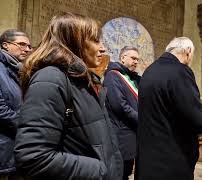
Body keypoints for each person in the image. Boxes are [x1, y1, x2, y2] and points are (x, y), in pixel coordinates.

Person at [13, 13, 123, 179]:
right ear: (73, 41)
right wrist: (101, 170)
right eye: (95, 40)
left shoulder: (81, 79)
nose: (103, 48)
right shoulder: (50, 78)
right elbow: (33, 157)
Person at [136, 37, 202, 180]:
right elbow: (198, 119)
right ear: (188, 51)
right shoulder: (180, 71)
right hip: (172, 160)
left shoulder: (150, 70)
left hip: (148, 158)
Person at [103, 46, 140, 180]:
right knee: (120, 173)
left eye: (137, 59)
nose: (136, 62)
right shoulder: (113, 76)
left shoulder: (132, 78)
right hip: (121, 136)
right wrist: (142, 119)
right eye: (133, 58)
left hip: (131, 133)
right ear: (123, 58)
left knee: (127, 172)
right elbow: (120, 106)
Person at [0, 29, 32, 179]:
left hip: (15, 144)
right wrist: (27, 126)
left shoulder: (18, 69)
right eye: (21, 44)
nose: (27, 49)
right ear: (5, 45)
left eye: (29, 46)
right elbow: (1, 111)